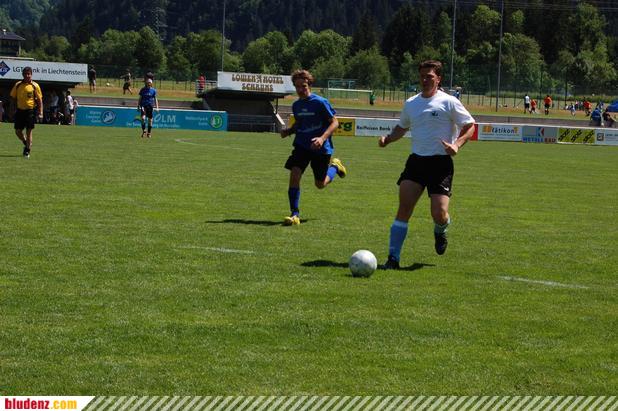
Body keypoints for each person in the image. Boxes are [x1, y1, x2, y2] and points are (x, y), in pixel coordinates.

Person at [378, 60, 475, 269]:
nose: (424, 80)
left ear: (438, 79)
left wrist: (457, 144)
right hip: (416, 162)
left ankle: (440, 230)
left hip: (440, 164)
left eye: (429, 76)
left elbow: (469, 125)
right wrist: (388, 139)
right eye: (422, 76)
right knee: (404, 208)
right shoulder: (411, 103)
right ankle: (393, 259)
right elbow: (402, 127)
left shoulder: (449, 102)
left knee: (439, 214)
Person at [279, 69, 347, 226]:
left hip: (320, 148)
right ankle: (294, 214)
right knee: (295, 173)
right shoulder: (296, 105)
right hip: (302, 145)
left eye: (303, 86)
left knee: (320, 184)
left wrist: (322, 139)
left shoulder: (320, 102)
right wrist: (289, 131)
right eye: (297, 87)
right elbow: (300, 123)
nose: (300, 90)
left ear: (309, 85)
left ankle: (335, 167)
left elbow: (335, 122)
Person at [9, 66, 43, 158]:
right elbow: (12, 98)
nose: (27, 76)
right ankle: (25, 142)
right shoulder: (18, 85)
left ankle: (27, 150)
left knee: (29, 131)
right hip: (20, 111)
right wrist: (11, 110)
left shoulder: (35, 85)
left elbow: (39, 100)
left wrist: (40, 112)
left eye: (29, 74)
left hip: (30, 111)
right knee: (17, 131)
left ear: (31, 75)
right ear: (22, 75)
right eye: (25, 74)